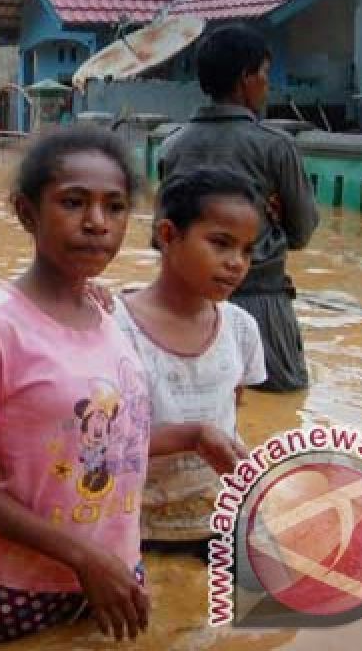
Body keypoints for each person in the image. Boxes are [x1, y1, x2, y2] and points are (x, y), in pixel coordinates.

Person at [0, 127, 247, 645]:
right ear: (27, 213)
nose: (97, 223)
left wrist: (195, 433)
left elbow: (103, 446)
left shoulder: (106, 316)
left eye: (116, 206)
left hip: (116, 572)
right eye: (73, 203)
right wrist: (83, 557)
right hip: (18, 586)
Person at [113, 167, 262, 563]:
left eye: (247, 250)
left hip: (217, 519)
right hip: (131, 525)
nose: (237, 263)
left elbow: (231, 413)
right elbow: (94, 444)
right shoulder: (112, 327)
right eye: (220, 244)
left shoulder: (241, 329)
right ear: (167, 236)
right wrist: (192, 437)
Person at [159, 24, 319, 392]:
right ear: (245, 78)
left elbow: (164, 236)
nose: (267, 83)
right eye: (264, 74)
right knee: (280, 421)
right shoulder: (276, 147)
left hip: (188, 305)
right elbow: (302, 231)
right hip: (261, 304)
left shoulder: (172, 147)